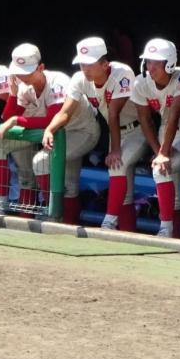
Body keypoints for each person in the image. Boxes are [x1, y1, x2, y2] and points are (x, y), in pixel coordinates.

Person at [42, 36, 144, 231]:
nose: (85, 69)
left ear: (105, 64)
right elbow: (65, 111)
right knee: (126, 192)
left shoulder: (123, 72)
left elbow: (114, 114)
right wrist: (50, 129)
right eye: (82, 64)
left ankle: (109, 222)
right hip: (117, 133)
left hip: (137, 130)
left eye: (89, 64)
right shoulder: (80, 79)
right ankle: (126, 237)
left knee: (117, 166)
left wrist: (114, 150)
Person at [0, 43, 99, 223]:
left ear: (41, 68)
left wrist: (16, 120)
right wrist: (12, 94)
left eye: (27, 71)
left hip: (81, 131)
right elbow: (8, 118)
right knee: (69, 186)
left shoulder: (59, 82)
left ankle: (53, 213)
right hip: (56, 134)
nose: (21, 75)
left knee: (42, 162)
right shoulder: (22, 86)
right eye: (18, 71)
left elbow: (53, 118)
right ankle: (5, 204)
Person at [131, 38, 180, 238]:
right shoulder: (140, 82)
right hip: (165, 131)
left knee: (160, 171)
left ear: (169, 62)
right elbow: (145, 120)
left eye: (157, 62)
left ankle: (165, 228)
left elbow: (174, 114)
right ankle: (175, 238)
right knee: (175, 195)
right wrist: (158, 151)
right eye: (148, 61)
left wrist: (163, 153)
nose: (151, 66)